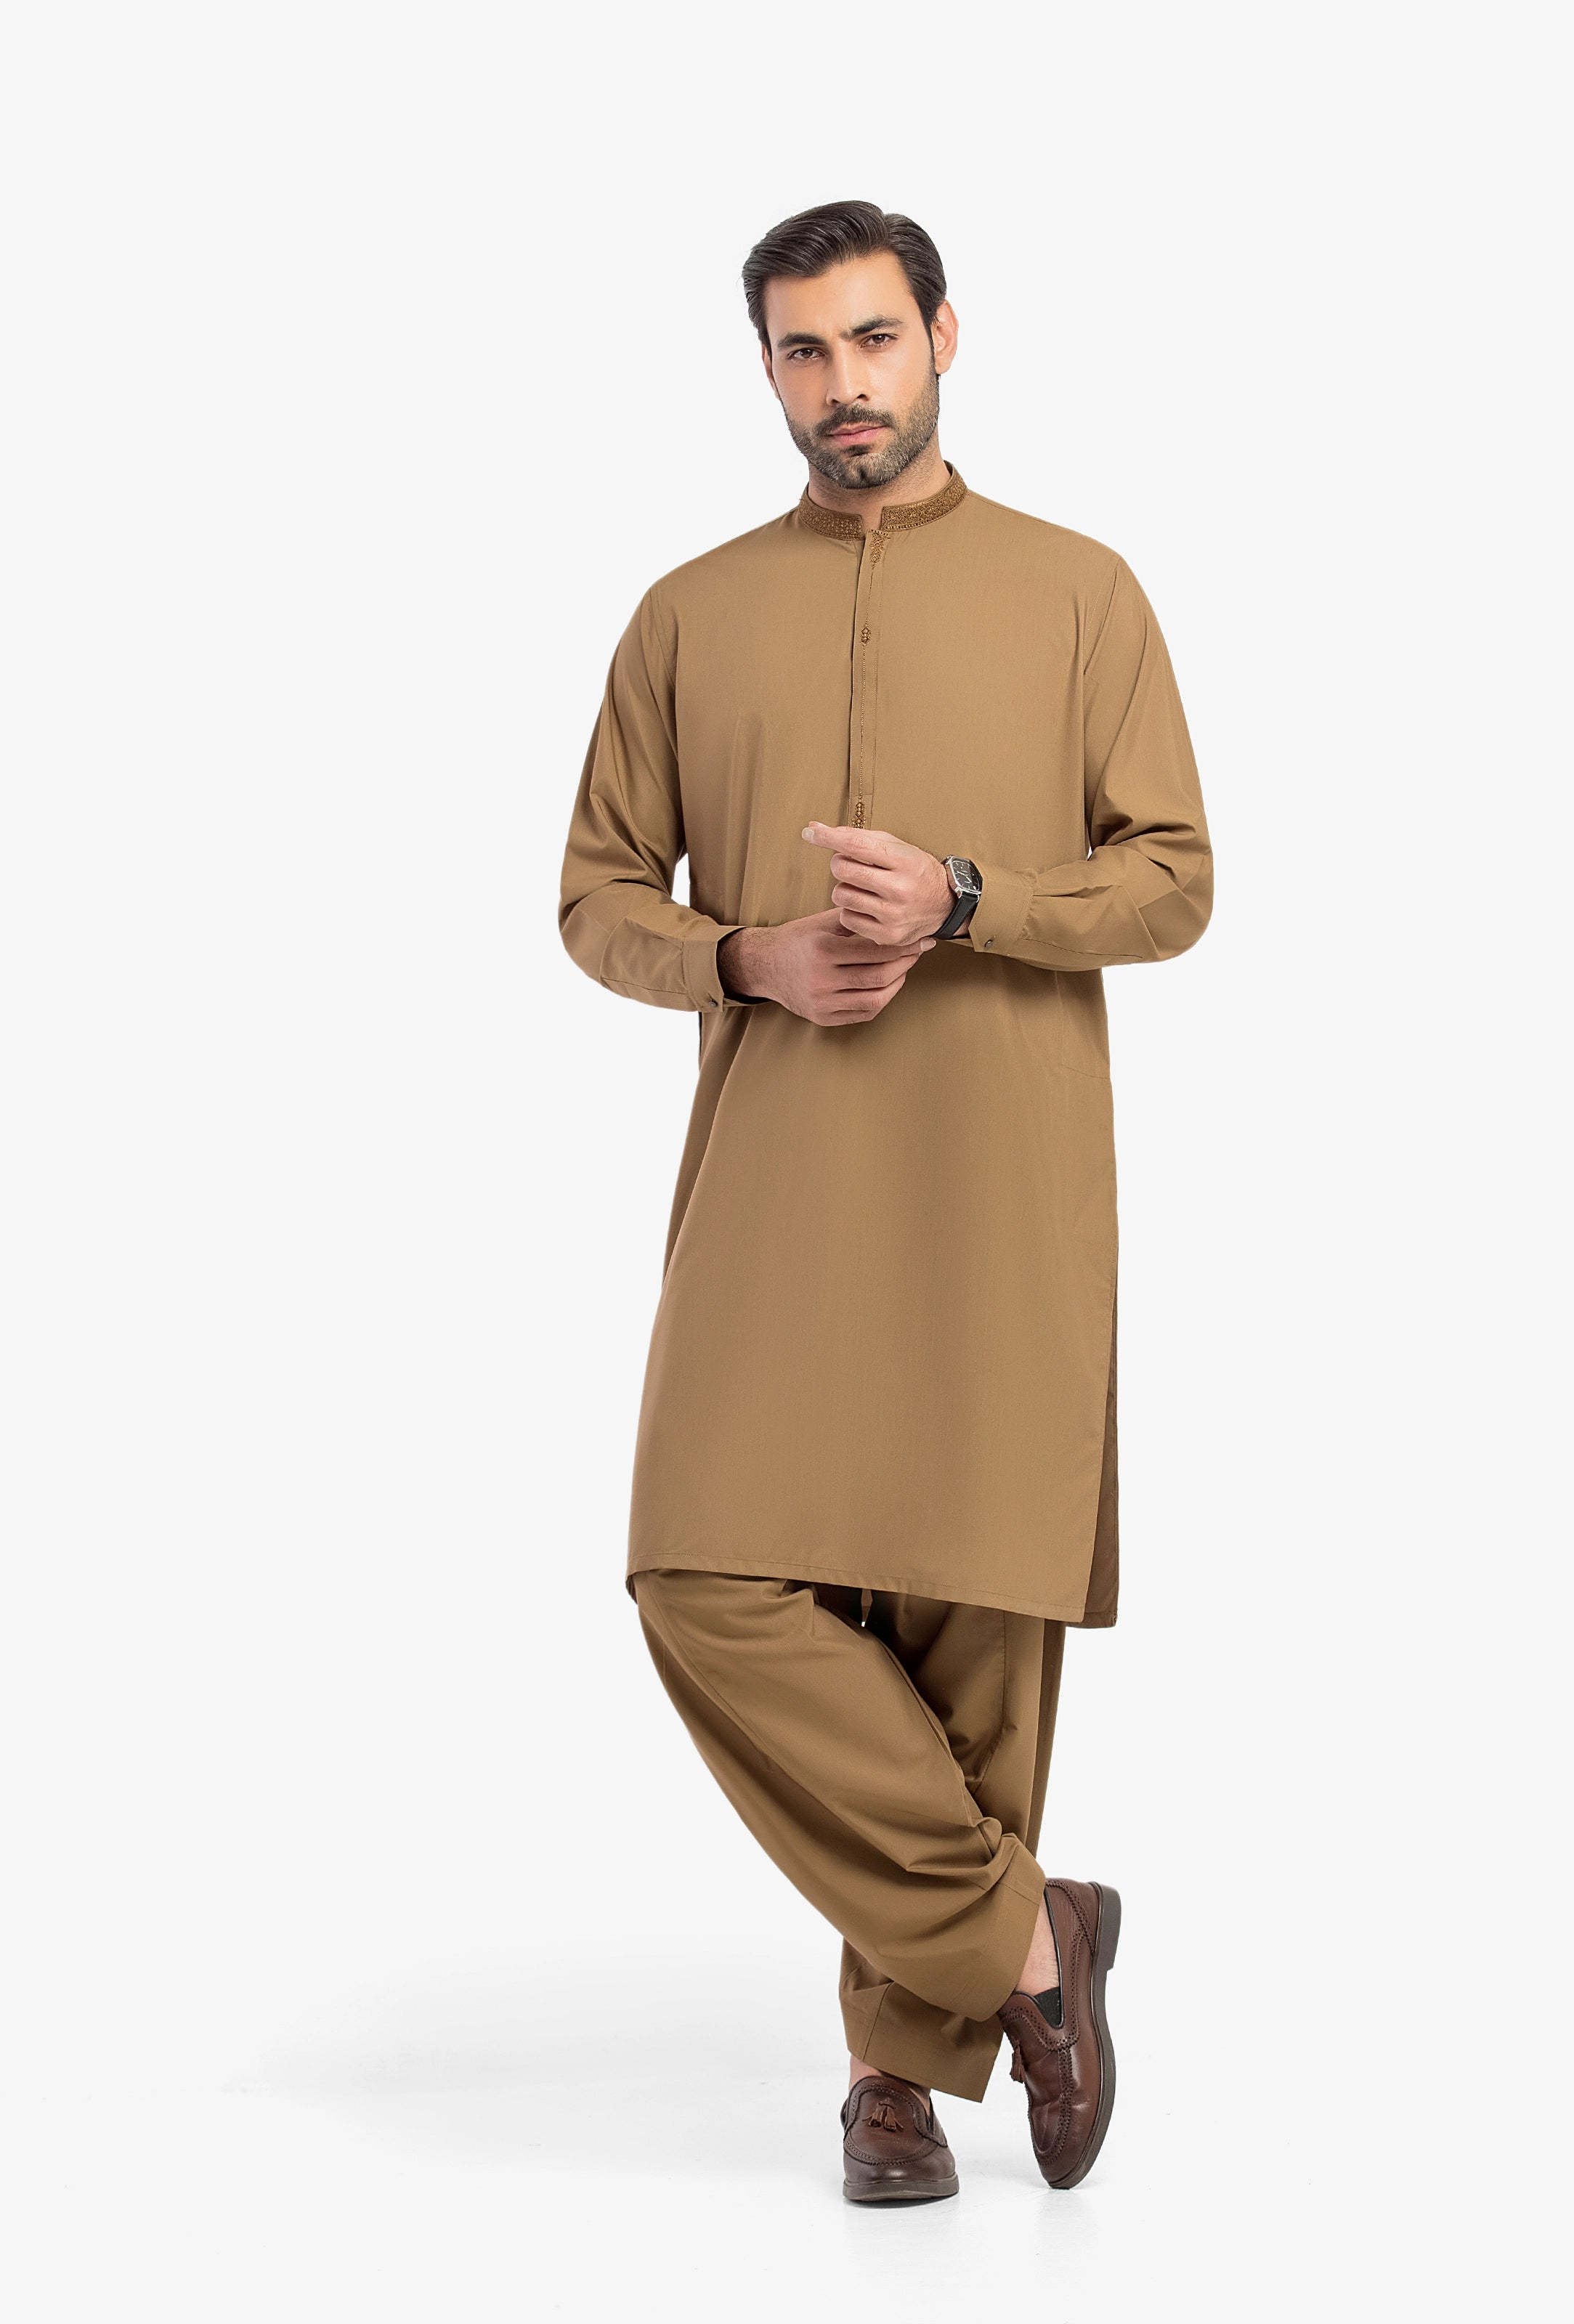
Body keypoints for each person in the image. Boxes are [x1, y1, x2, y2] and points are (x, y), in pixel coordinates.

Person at [558, 199, 1212, 2203]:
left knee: (970, 1631)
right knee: (705, 1579)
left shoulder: (1079, 593)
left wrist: (970, 900)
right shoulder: (688, 615)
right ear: (765, 368)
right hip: (774, 1183)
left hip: (1001, 1180)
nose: (843, 385)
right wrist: (743, 956)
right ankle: (1030, 1943)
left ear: (942, 335)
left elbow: (1174, 879)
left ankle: (895, 2085)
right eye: (802, 350)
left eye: (872, 339)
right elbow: (595, 896)